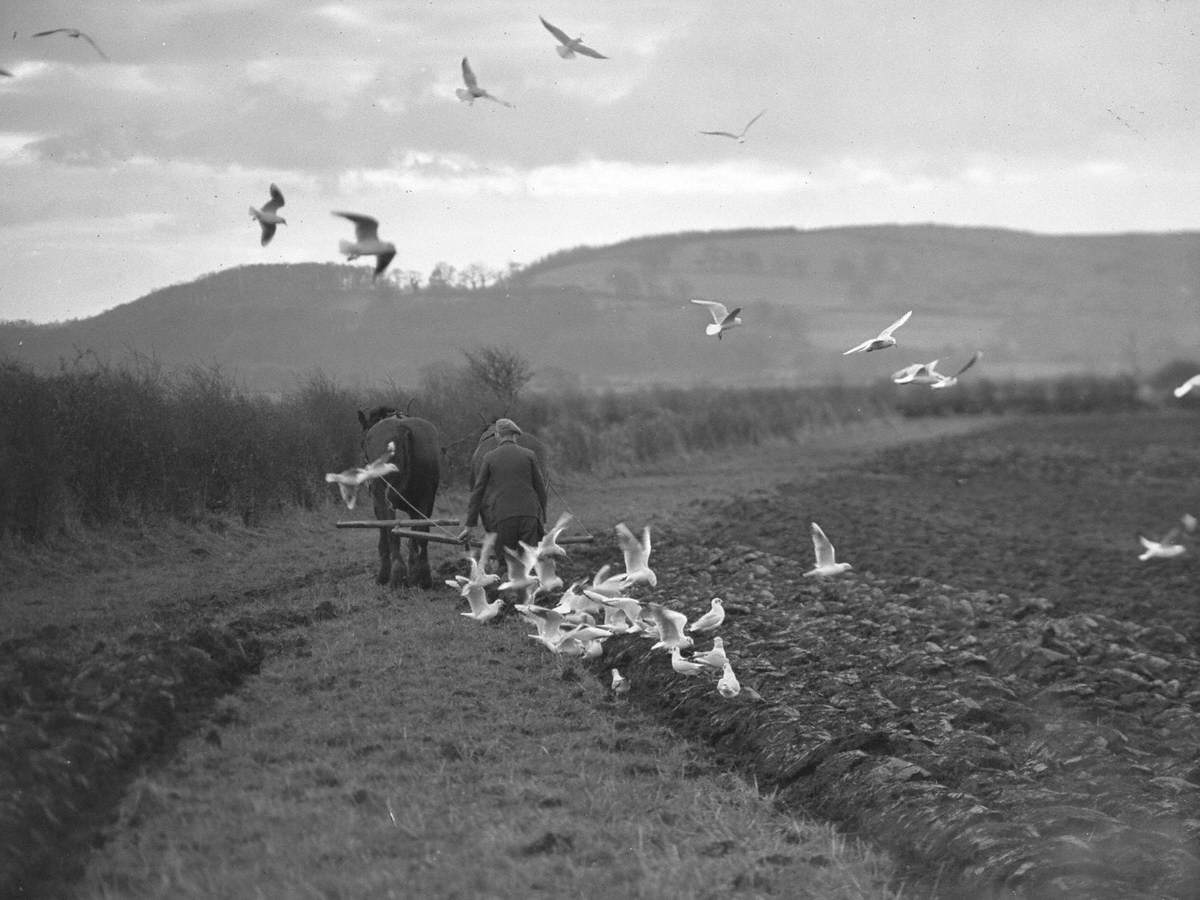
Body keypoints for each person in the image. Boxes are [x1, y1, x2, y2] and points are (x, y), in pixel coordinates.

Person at [460, 418, 548, 579]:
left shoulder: (489, 457)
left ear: (497, 435)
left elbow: (478, 492)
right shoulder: (529, 455)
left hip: (503, 518)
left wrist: (470, 525)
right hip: (529, 517)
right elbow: (541, 490)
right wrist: (543, 520)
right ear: (515, 436)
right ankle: (531, 599)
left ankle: (508, 598)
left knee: (506, 564)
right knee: (529, 564)